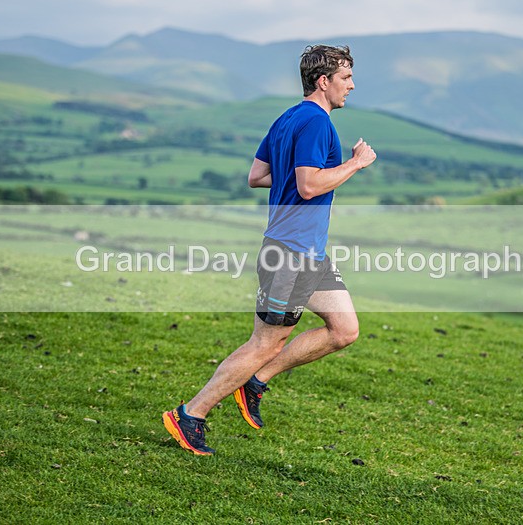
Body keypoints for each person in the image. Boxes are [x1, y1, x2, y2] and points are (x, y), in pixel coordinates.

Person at [162, 44, 377, 455]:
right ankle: (190, 413)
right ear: (323, 81)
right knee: (264, 342)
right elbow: (309, 185)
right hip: (290, 253)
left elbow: (257, 176)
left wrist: (300, 175)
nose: (351, 85)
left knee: (344, 329)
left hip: (307, 251)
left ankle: (257, 382)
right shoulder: (316, 123)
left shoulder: (288, 118)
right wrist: (355, 164)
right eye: (346, 77)